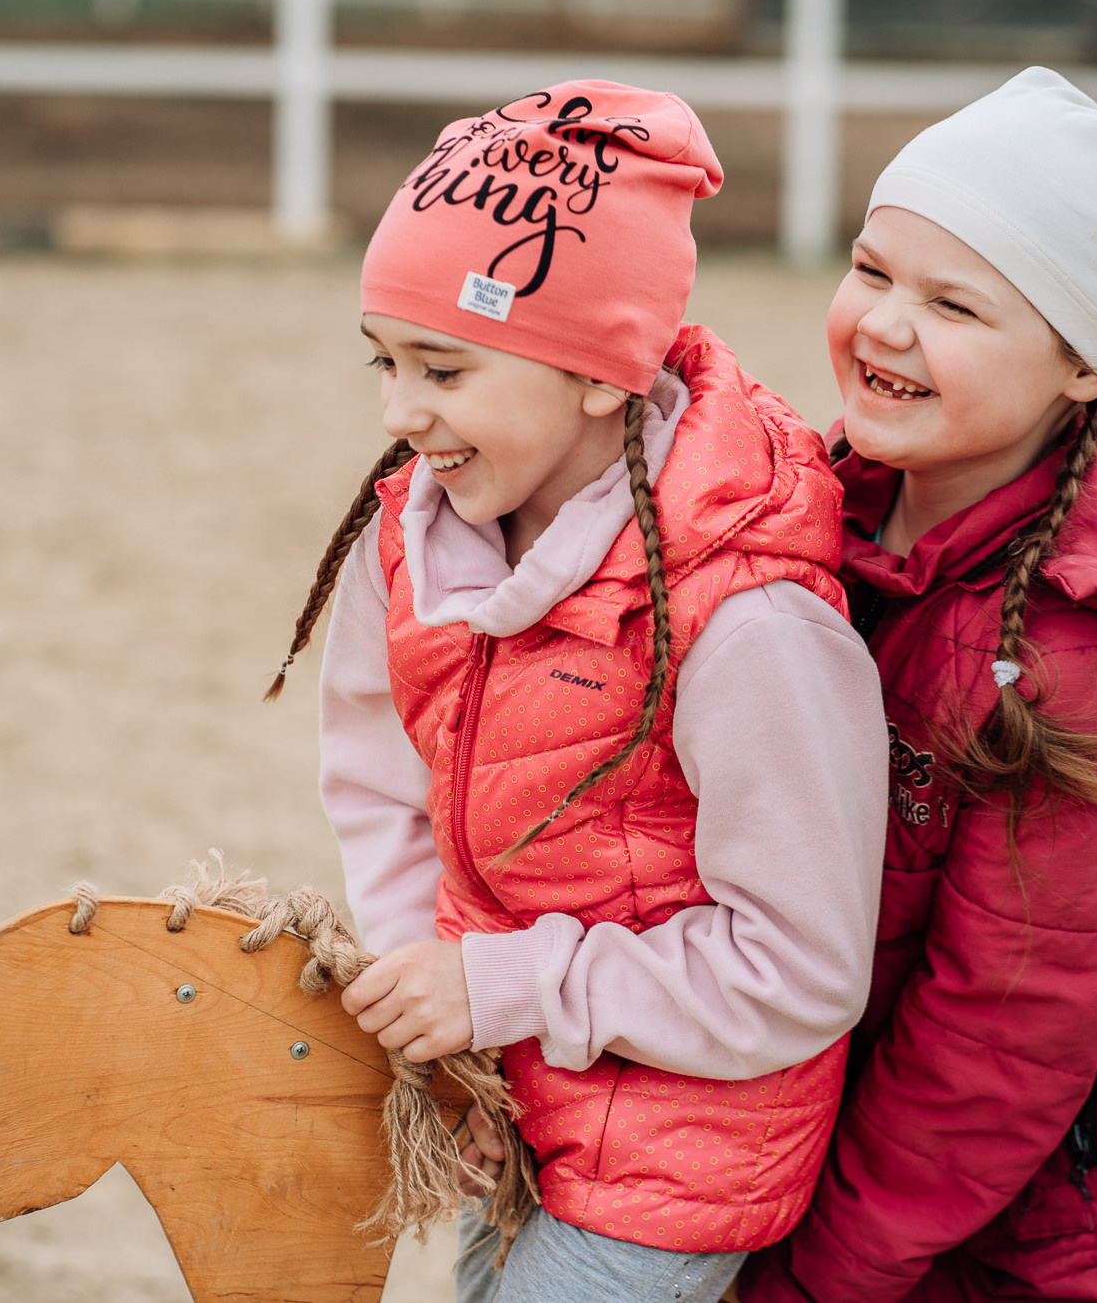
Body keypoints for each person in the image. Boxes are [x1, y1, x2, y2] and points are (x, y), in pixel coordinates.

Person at [264, 81, 889, 1302]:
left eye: (441, 368)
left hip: (677, 1156)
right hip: (512, 1094)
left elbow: (802, 968)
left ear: (600, 375)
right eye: (384, 362)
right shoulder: (412, 542)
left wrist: (496, 988)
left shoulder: (747, 620)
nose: (399, 416)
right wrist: (450, 1045)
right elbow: (382, 789)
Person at [740, 68, 1097, 1302]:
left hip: (1092, 1227)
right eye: (872, 269)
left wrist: (813, 1278)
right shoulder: (825, 516)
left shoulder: (1084, 664)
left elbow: (996, 1043)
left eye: (953, 304)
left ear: (1082, 367)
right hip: (915, 1184)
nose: (884, 324)